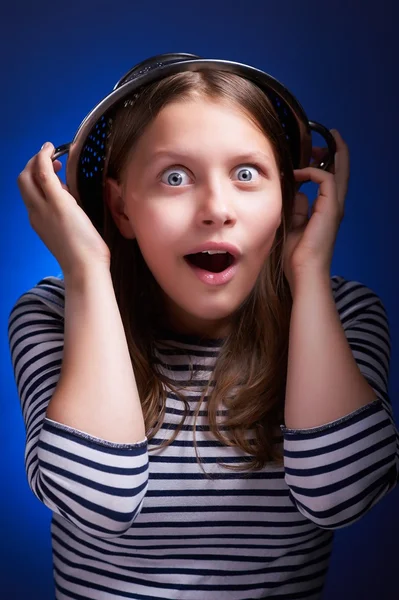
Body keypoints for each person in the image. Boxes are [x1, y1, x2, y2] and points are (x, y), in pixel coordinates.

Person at [8, 53, 398, 600]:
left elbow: (341, 496)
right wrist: (86, 271)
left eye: (246, 174)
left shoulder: (347, 311)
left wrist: (308, 273)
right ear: (120, 208)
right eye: (175, 177)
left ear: (287, 196)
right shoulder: (53, 314)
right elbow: (97, 501)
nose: (217, 209)